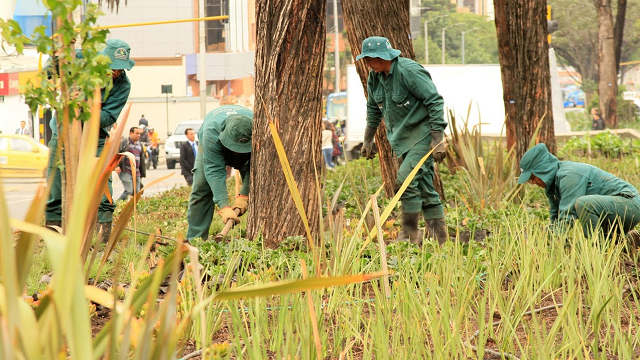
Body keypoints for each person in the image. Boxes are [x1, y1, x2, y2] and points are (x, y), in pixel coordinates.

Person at [356, 36, 448, 244]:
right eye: (366, 59)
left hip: (422, 137)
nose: (367, 63)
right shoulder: (375, 77)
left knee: (405, 181)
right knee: (424, 187)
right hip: (402, 140)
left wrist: (438, 138)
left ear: (383, 57)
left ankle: (409, 234)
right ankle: (440, 238)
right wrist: (368, 140)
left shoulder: (409, 71)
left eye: (370, 58)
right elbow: (373, 108)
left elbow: (434, 100)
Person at [45, 38, 135, 243]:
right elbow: (49, 73)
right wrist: (58, 52)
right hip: (63, 134)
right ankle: (53, 239)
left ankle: (101, 240)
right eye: (112, 67)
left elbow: (108, 118)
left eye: (120, 69)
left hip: (96, 139)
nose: (116, 72)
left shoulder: (123, 85)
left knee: (103, 189)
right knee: (55, 187)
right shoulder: (80, 59)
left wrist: (85, 105)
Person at [518, 143, 640, 240]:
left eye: (533, 177)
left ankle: (597, 253)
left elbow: (567, 216)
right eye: (530, 180)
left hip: (629, 204)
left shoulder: (569, 175)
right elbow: (556, 216)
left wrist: (548, 236)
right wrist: (546, 238)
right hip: (610, 212)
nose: (533, 182)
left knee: (584, 204)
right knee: (612, 243)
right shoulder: (551, 186)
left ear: (543, 170)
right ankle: (630, 240)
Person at [186, 105, 253, 241]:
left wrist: (244, 195)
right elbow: (214, 170)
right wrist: (224, 206)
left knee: (260, 185)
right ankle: (195, 240)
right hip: (212, 145)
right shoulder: (211, 133)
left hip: (250, 148)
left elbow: (255, 169)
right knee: (201, 188)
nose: (237, 152)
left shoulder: (259, 126)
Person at [116, 127, 143, 200]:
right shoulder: (125, 142)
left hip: (136, 172)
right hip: (126, 171)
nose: (139, 135)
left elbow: (141, 159)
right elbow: (117, 154)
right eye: (137, 133)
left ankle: (134, 208)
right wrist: (117, 166)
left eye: (140, 134)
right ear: (131, 133)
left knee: (137, 192)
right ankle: (117, 204)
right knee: (129, 191)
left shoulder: (139, 144)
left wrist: (142, 173)